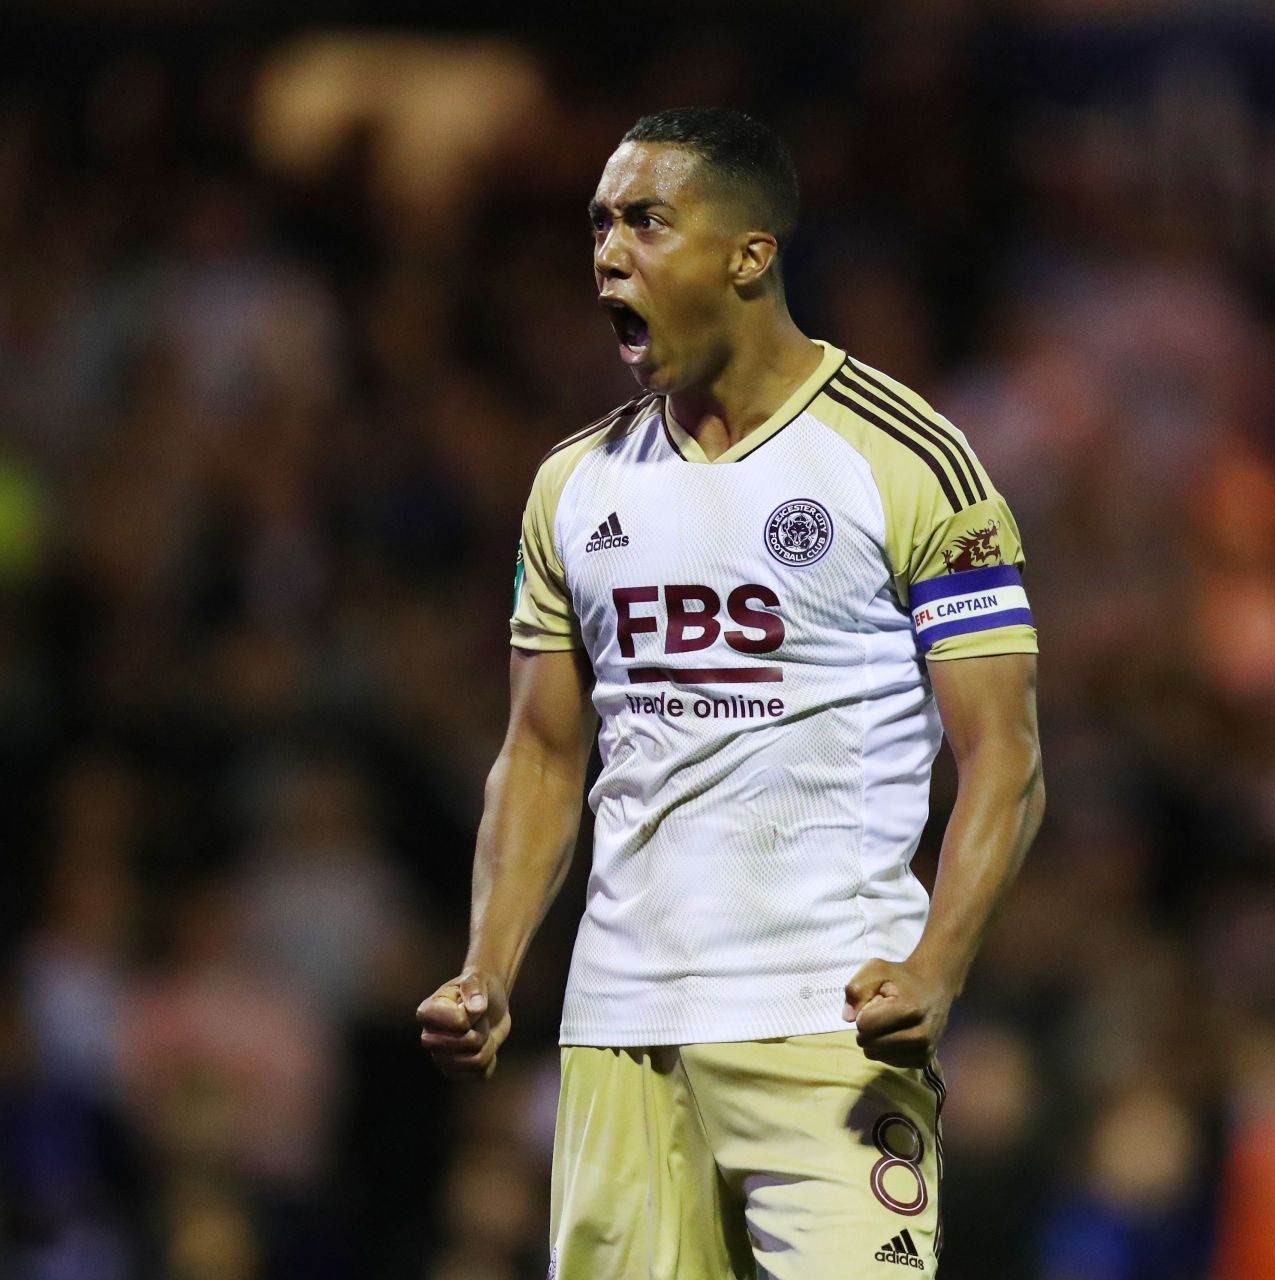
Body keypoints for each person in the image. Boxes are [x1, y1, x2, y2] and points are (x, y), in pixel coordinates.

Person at [416, 106, 1046, 1280]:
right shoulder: (571, 486)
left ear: (750, 254)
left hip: (829, 1020)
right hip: (618, 1029)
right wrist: (490, 965)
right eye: (599, 223)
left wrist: (938, 964)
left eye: (646, 221)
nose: (608, 250)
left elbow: (1005, 756)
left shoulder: (910, 461)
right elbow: (545, 753)